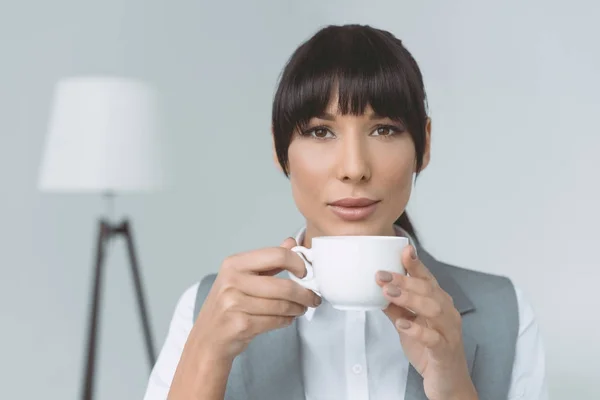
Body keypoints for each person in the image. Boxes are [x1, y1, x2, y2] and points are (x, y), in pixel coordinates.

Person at [143, 24, 548, 400]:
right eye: (321, 131)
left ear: (423, 145)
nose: (354, 168)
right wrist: (207, 355)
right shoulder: (208, 307)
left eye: (384, 129)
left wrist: (454, 384)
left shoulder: (504, 312)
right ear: (278, 148)